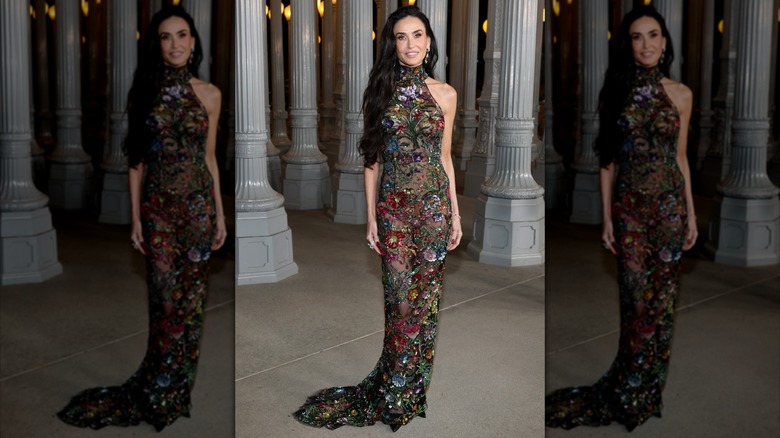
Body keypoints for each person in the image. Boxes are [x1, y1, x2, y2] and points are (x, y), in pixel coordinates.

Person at [293, 6, 462, 432]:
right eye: (401, 37)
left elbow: (444, 159)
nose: (410, 44)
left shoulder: (446, 94)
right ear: (392, 44)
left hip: (434, 210)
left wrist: (455, 213)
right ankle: (392, 387)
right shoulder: (377, 93)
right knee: (400, 302)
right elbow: (372, 161)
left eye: (417, 35)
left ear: (429, 41)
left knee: (427, 306)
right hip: (394, 214)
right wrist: (371, 218)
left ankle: (408, 393)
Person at [57, 5, 226, 431]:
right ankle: (157, 384)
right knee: (164, 300)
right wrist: (136, 219)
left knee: (191, 307)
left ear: (193, 41)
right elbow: (136, 161)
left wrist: (221, 214)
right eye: (166, 37)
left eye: (182, 34)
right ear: (157, 45)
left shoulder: (210, 93)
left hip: (198, 208)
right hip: (159, 212)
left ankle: (176, 390)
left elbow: (209, 158)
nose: (175, 44)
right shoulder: (143, 93)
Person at [545, 6, 697, 431]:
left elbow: (680, 159)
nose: (646, 44)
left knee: (662, 306)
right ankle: (628, 385)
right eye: (636, 37)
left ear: (665, 42)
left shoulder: (682, 94)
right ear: (628, 45)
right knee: (634, 303)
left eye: (653, 35)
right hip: (630, 213)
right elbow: (607, 163)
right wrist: (608, 218)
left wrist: (692, 214)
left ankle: (649, 390)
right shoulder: (617, 91)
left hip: (669, 210)